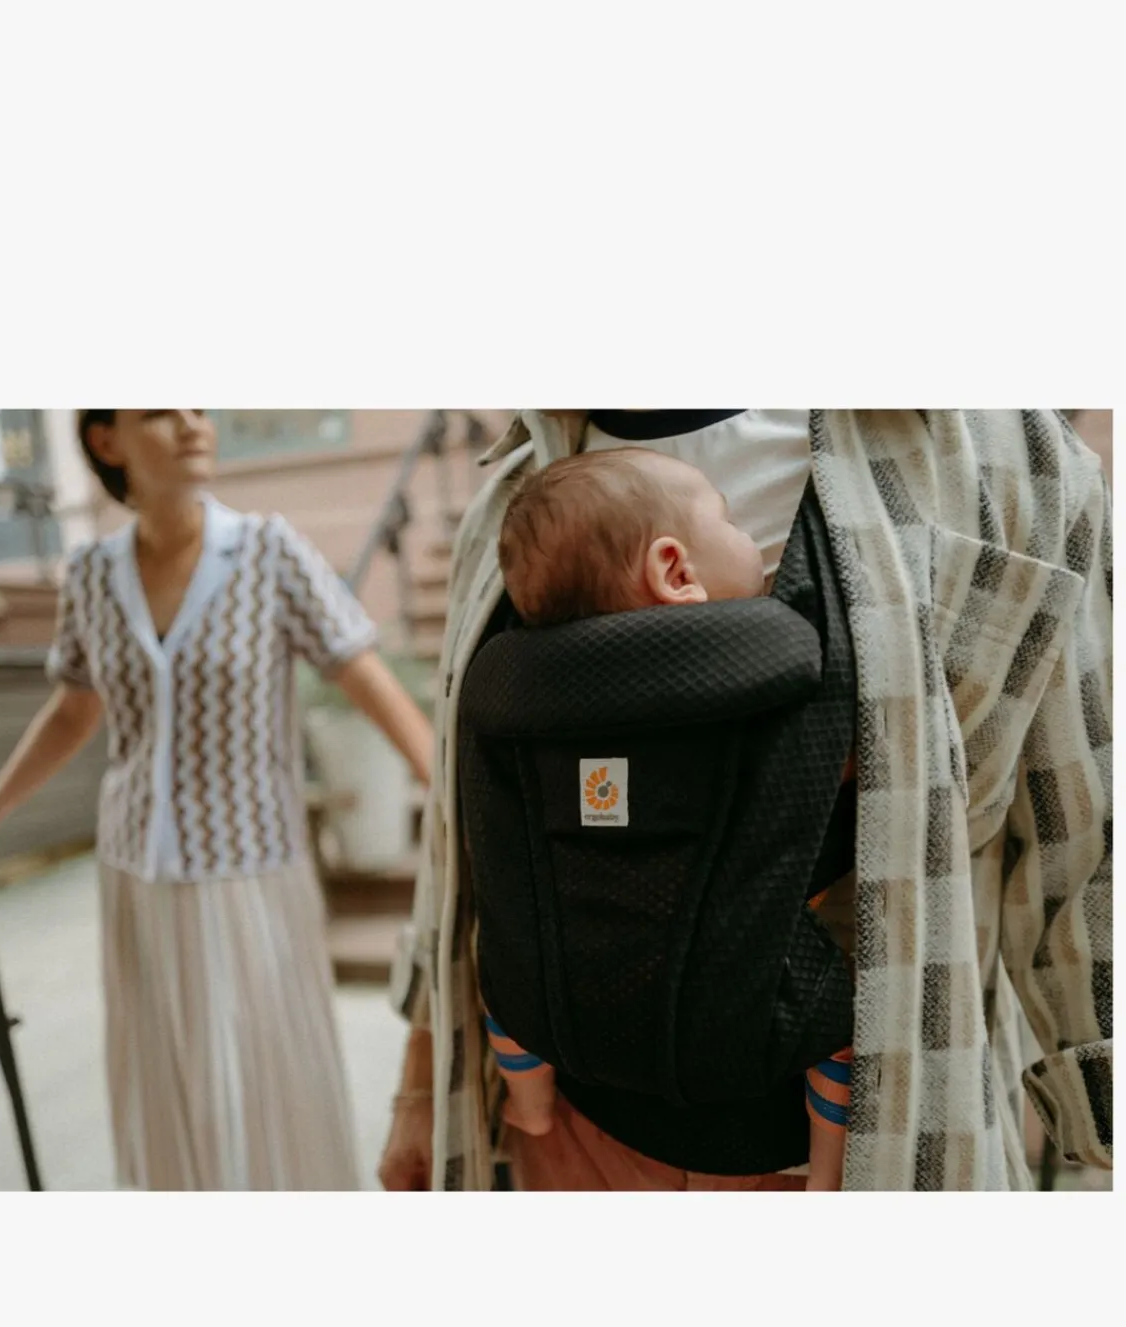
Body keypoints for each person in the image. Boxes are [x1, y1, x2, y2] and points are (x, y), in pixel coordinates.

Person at [379, 410, 1111, 1192]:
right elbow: (467, 837)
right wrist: (421, 1085)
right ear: (674, 568)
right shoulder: (508, 496)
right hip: (578, 1145)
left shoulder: (998, 449)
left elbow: (1081, 824)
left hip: (884, 1144)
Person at [0, 408, 434, 1191]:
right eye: (160, 412)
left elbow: (365, 679)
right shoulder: (92, 574)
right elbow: (72, 713)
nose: (192, 426)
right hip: (137, 877)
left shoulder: (268, 551)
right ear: (107, 441)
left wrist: (450, 795)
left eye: (197, 408)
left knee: (269, 1084)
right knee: (168, 1091)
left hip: (253, 876)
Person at [485, 446, 855, 1190]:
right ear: (675, 571)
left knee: (502, 983)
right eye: (729, 521)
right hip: (732, 1000)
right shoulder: (755, 680)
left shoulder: (525, 701)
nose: (746, 538)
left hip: (561, 1004)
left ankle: (530, 1102)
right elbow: (825, 780)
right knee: (840, 1033)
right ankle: (827, 1173)